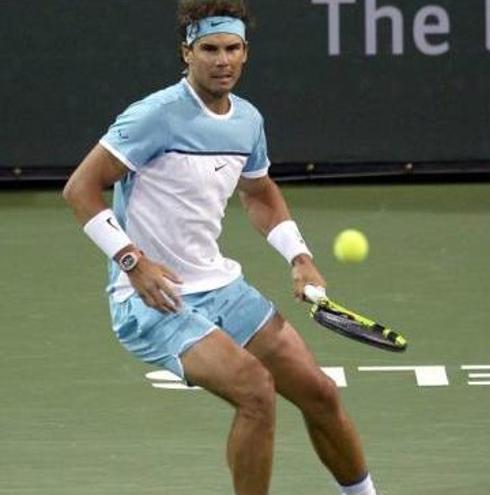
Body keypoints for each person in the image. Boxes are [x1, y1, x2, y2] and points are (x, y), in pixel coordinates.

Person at [61, 2, 379, 494]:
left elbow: (259, 193)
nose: (221, 60)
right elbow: (80, 188)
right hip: (152, 298)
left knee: (320, 393)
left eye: (231, 49)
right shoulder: (154, 116)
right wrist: (132, 262)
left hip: (221, 286)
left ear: (246, 53)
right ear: (187, 52)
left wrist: (299, 256)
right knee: (256, 392)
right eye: (209, 49)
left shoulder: (247, 121)